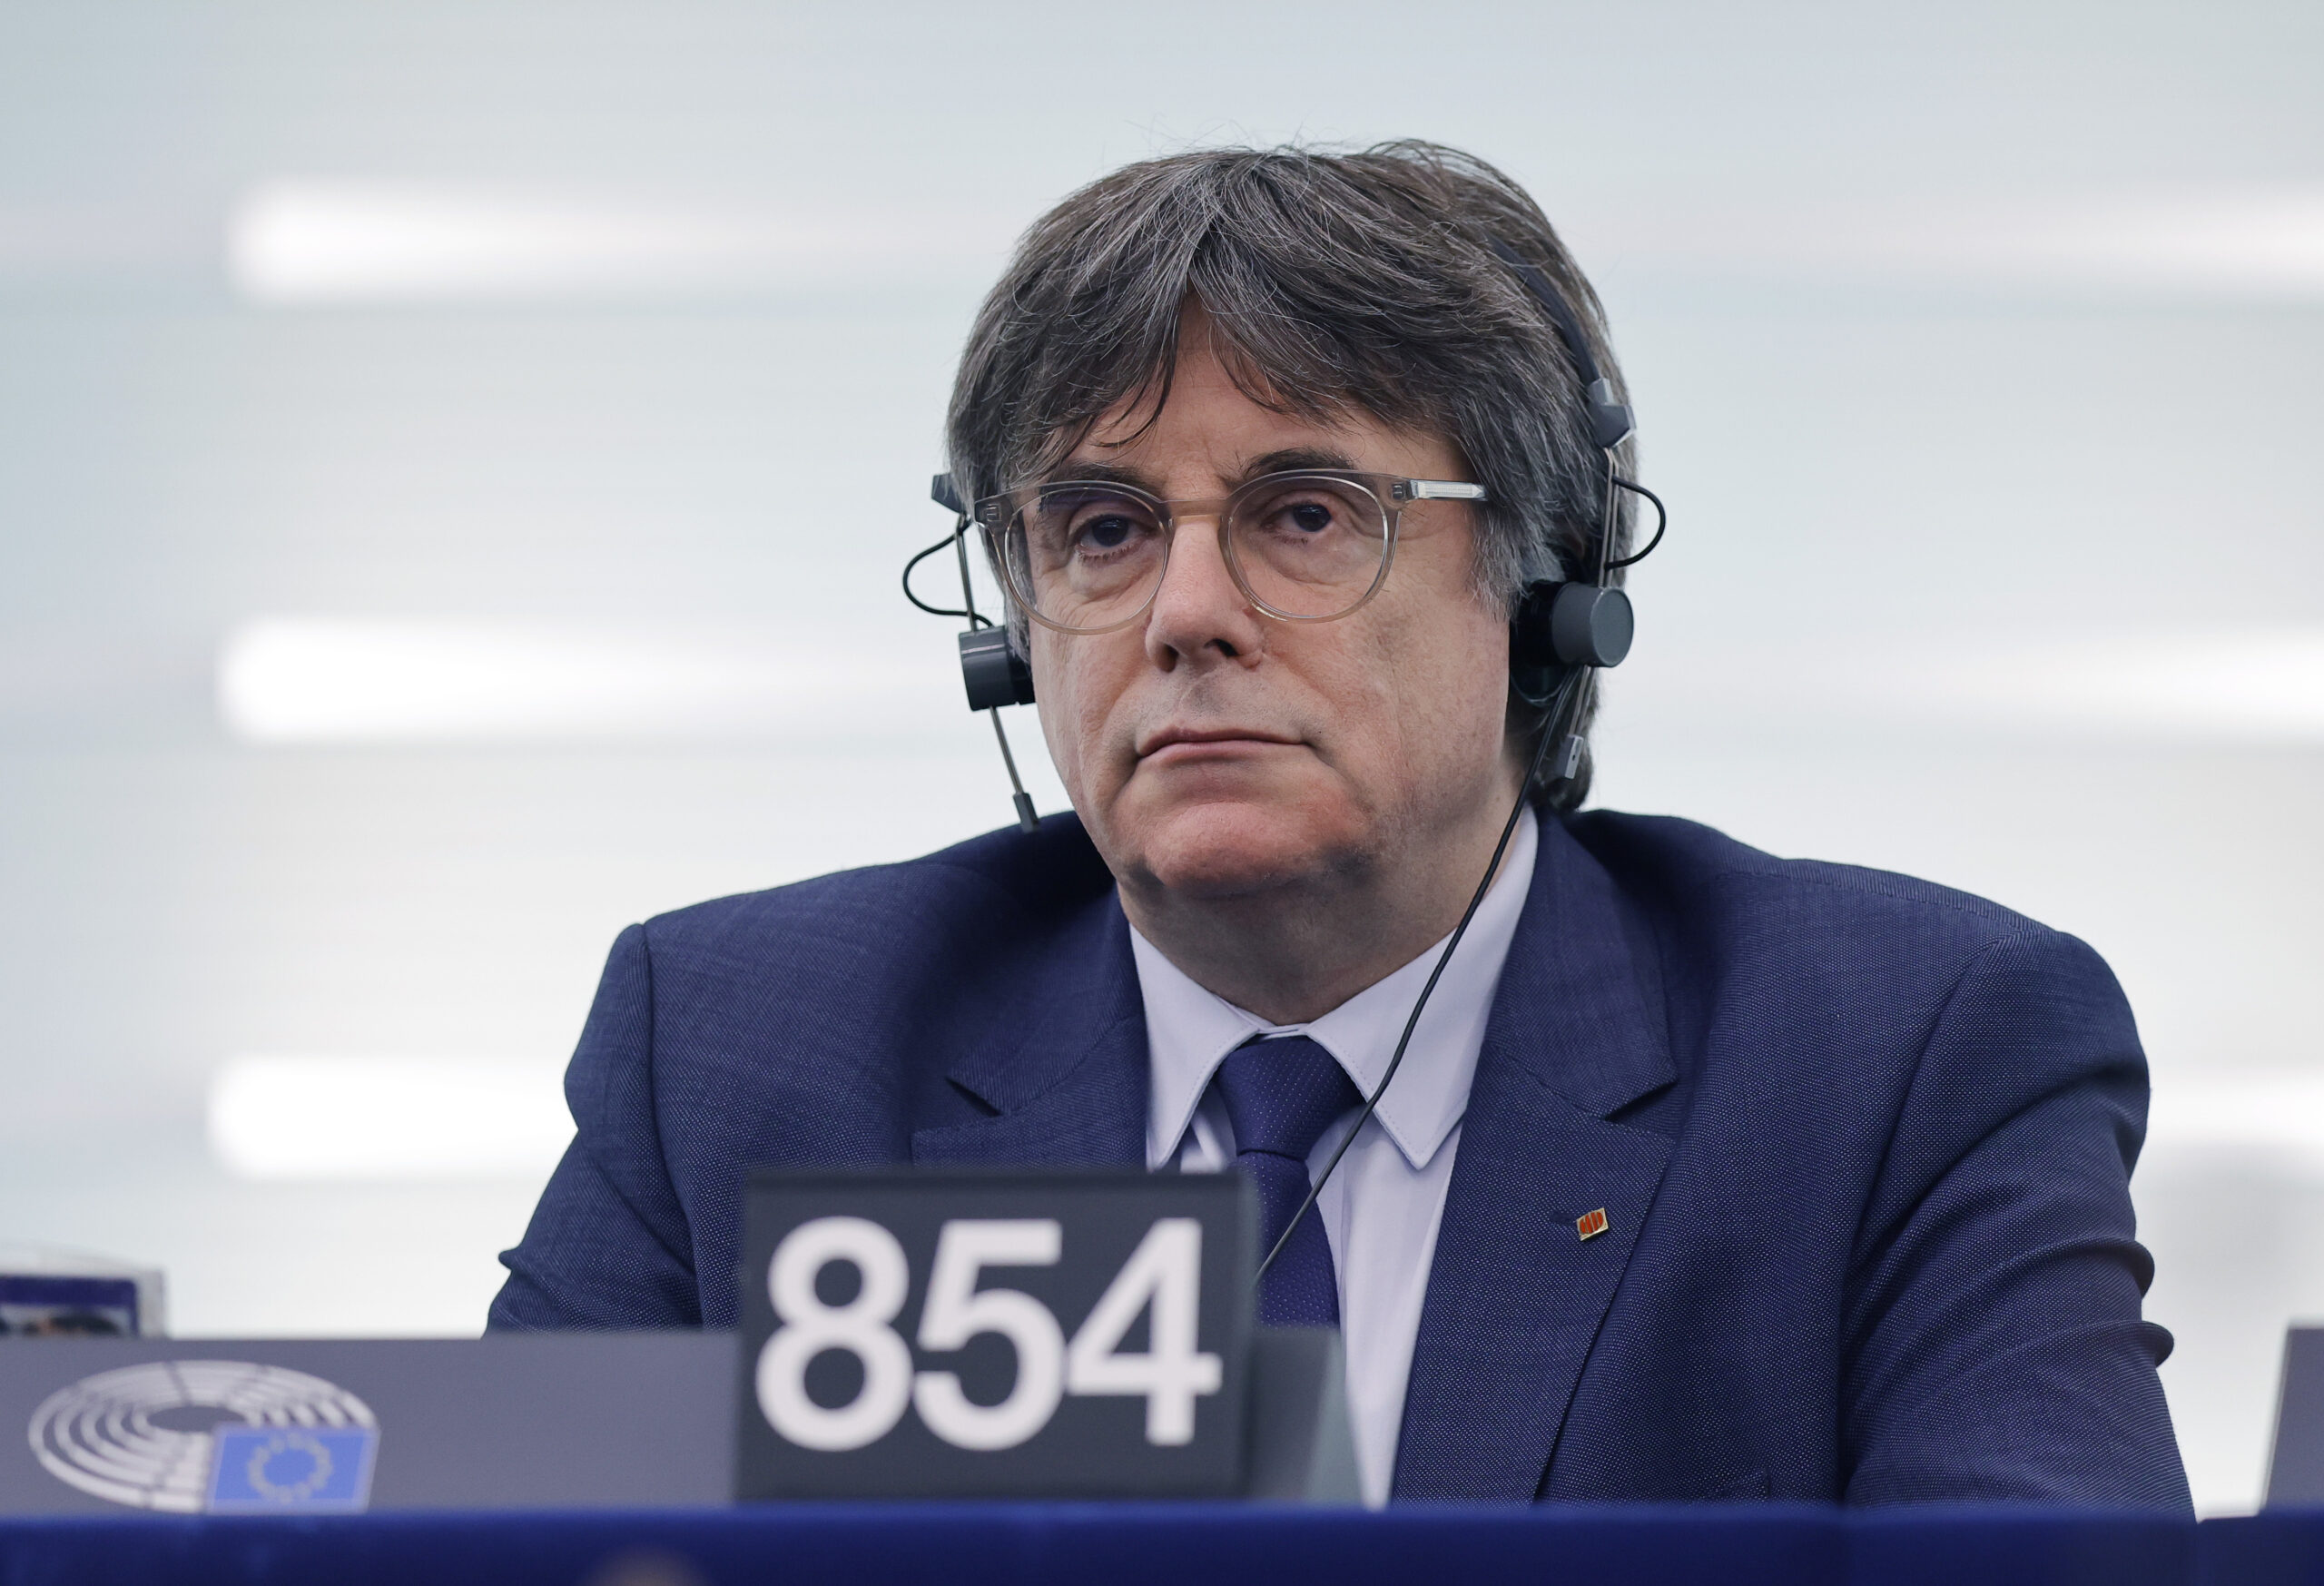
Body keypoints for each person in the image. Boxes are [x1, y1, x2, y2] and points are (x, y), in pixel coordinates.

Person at [489, 141, 2191, 1512]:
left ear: (1545, 587)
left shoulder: (1898, 1057)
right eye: (1101, 528)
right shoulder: (736, 1052)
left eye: (1304, 514)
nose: (1185, 615)